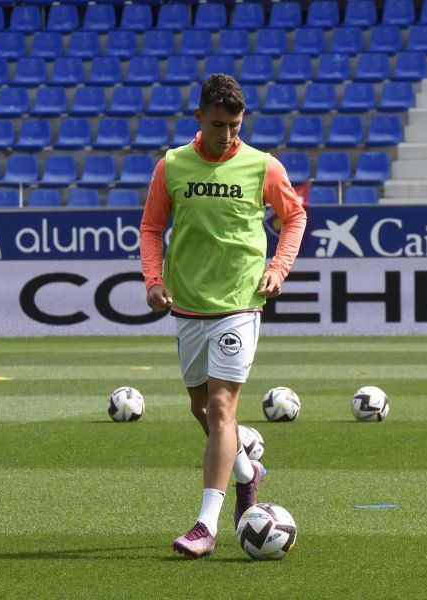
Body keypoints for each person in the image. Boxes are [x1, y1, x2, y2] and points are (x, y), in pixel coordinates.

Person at [140, 73, 307, 559]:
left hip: (239, 303)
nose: (228, 135)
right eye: (218, 125)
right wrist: (153, 279)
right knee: (202, 410)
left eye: (236, 125)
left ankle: (205, 526)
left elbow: (294, 217)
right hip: (188, 305)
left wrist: (278, 267)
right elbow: (151, 226)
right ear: (199, 118)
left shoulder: (263, 166)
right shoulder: (172, 165)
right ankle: (247, 474)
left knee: (220, 409)